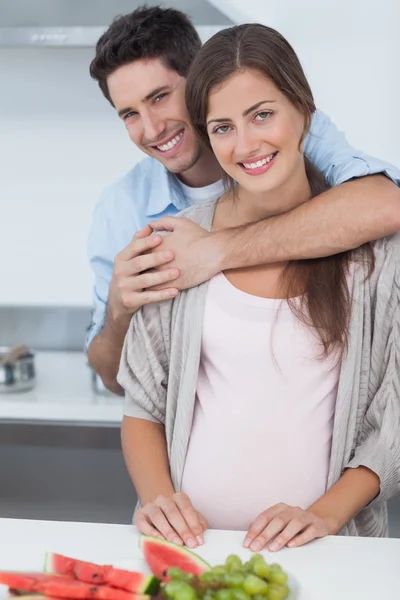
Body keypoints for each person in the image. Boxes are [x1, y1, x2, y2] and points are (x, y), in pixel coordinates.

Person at [117, 23, 400, 554]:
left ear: (304, 113)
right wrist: (158, 500)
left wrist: (323, 516)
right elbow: (141, 405)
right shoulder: (179, 242)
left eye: (262, 115)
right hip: (186, 554)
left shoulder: (375, 252)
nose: (245, 145)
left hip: (326, 552)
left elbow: (397, 416)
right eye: (222, 127)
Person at [87, 6, 400, 396]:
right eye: (130, 114)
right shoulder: (121, 208)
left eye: (161, 97)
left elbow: (387, 205)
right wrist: (119, 310)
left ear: (201, 83)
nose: (152, 128)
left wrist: (213, 251)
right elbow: (114, 380)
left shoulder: (286, 132)